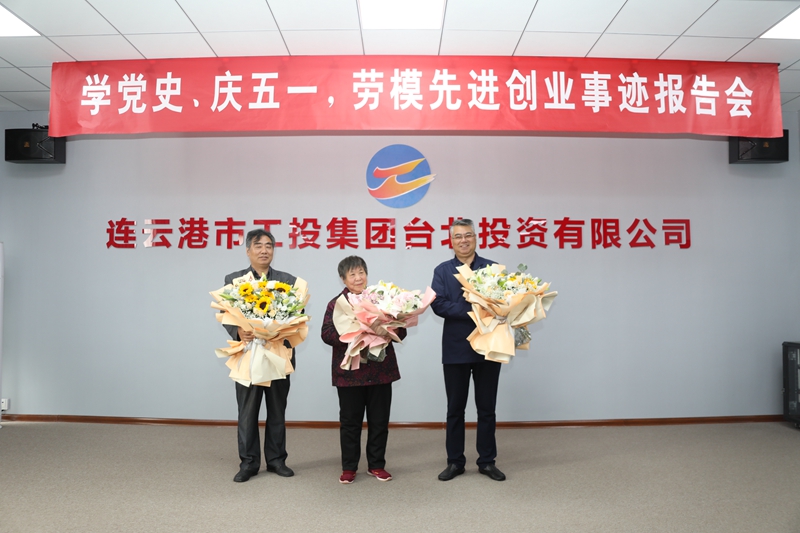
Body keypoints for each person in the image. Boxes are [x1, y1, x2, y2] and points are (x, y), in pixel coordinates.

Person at [430, 219, 506, 482]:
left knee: (487, 408)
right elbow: (438, 304)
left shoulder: (492, 268)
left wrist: (496, 309)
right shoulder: (442, 271)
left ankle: (487, 461)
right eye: (458, 236)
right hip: (455, 348)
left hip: (488, 346)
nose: (463, 240)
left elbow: (505, 300)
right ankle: (455, 462)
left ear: (476, 238)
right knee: (455, 409)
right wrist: (475, 310)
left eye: (468, 235)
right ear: (451, 241)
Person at [321, 256, 406, 484]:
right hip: (350, 374)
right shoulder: (336, 304)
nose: (358, 278)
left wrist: (384, 328)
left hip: (380, 371)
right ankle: (349, 467)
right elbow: (326, 334)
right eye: (352, 274)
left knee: (379, 421)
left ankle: (377, 465)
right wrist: (356, 333)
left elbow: (401, 331)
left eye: (361, 273)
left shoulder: (382, 300)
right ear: (343, 279)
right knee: (350, 422)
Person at [224, 229, 297, 483]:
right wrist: (238, 331)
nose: (264, 250)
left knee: (277, 411)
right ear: (248, 251)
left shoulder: (288, 281)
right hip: (247, 355)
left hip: (278, 354)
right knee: (247, 412)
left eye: (268, 246)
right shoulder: (234, 280)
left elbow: (296, 317)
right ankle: (249, 463)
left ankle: (277, 460)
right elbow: (226, 314)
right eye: (258, 246)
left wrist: (281, 330)